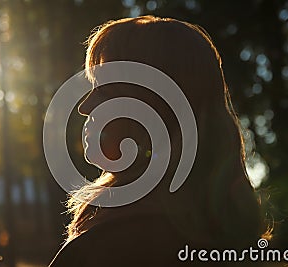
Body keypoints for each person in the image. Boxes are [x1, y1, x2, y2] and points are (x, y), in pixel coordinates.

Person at [50, 15, 267, 266]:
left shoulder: (106, 249)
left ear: (152, 109)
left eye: (103, 88)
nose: (85, 107)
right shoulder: (240, 247)